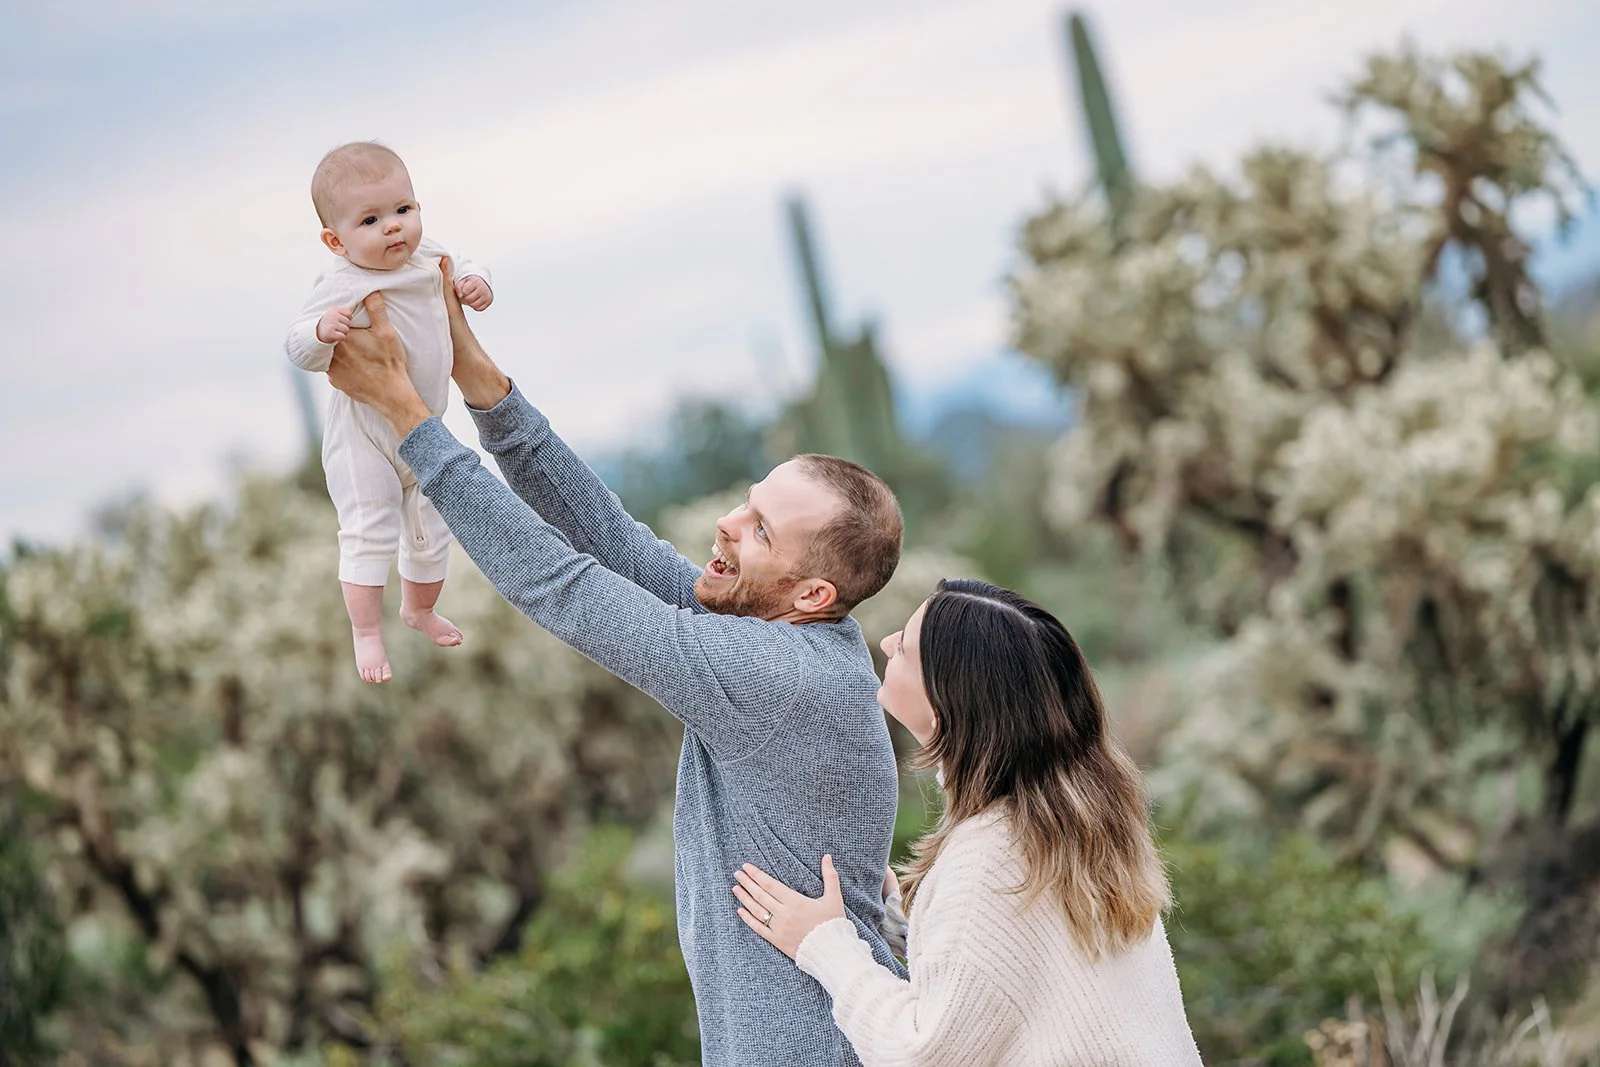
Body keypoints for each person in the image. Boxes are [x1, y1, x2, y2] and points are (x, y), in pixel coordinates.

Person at [323, 264, 907, 1066]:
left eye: (762, 530)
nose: (730, 523)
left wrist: (411, 422)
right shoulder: (785, 633)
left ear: (811, 591)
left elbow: (565, 587)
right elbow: (614, 545)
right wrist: (479, 380)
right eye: (748, 500)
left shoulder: (782, 680)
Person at [731, 578, 1203, 1066]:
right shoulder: (1075, 821)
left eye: (908, 648)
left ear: (946, 705)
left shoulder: (988, 857)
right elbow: (1016, 967)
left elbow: (922, 1056)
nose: (888, 642)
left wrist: (826, 944)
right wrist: (895, 917)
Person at [285, 141, 494, 683]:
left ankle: (419, 609)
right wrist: (319, 332)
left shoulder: (428, 260)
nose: (394, 228)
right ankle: (366, 632)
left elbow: (465, 263)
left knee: (433, 523)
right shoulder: (341, 283)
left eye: (403, 210)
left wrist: (476, 283)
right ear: (336, 240)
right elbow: (296, 345)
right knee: (370, 525)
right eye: (372, 220)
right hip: (363, 434)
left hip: (424, 424)